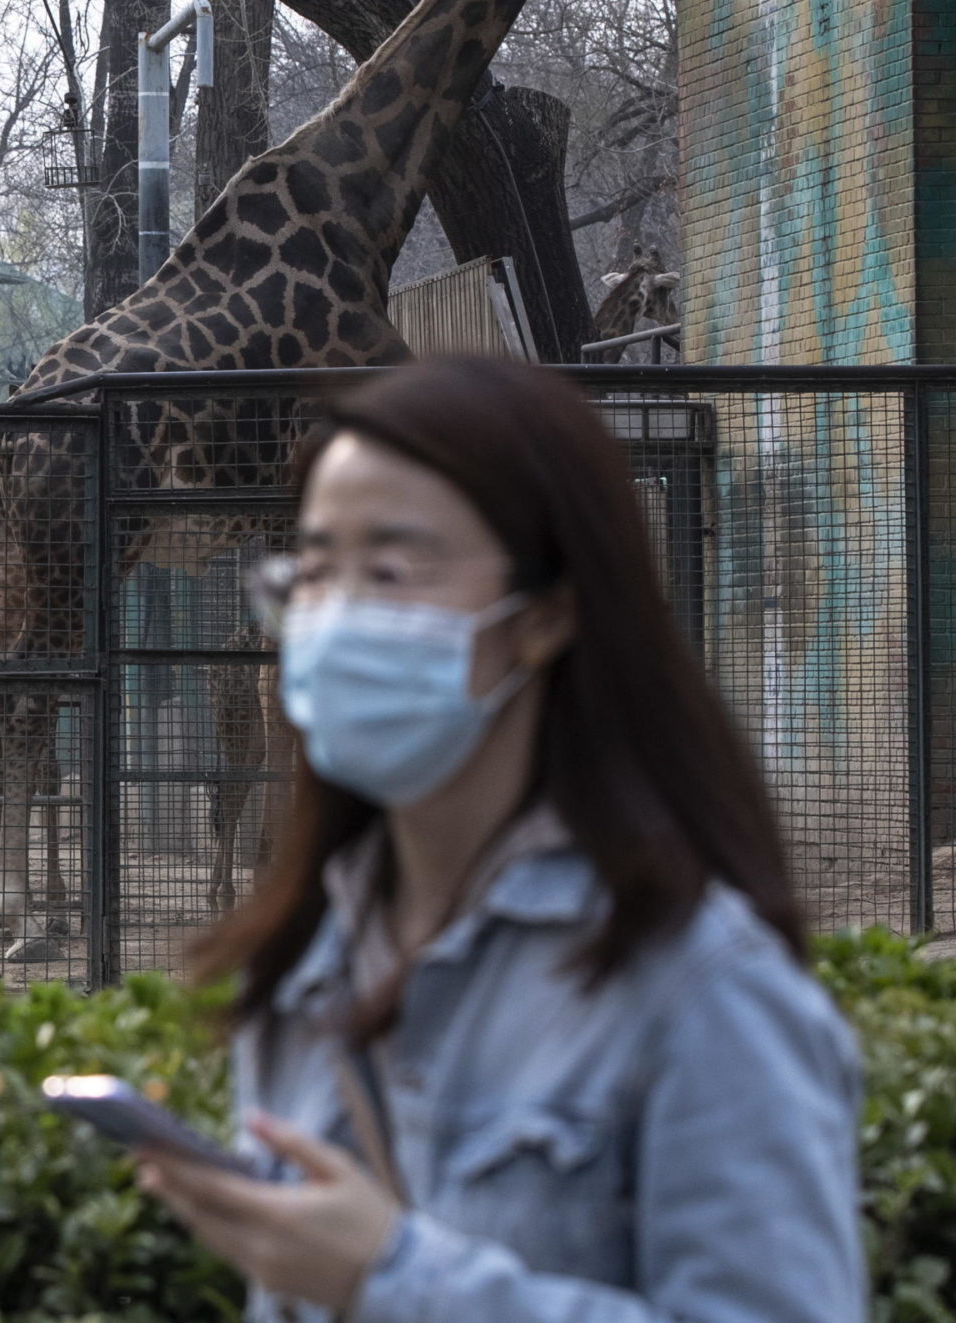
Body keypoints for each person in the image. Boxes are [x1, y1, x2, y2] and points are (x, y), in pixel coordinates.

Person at [136, 357, 863, 1322]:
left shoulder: (701, 985)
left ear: (547, 613)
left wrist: (390, 1279)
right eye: (313, 571)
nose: (338, 616)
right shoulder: (307, 969)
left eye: (391, 571)